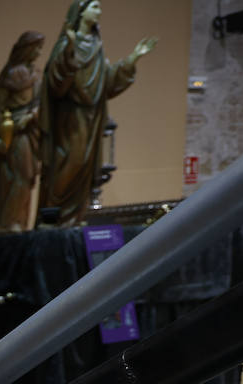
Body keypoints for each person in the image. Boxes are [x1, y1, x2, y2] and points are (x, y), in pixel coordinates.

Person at [38, 0, 156, 226]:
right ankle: (54, 216)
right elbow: (55, 83)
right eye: (94, 7)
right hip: (70, 117)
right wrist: (69, 53)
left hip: (92, 117)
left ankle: (74, 218)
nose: (100, 11)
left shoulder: (96, 45)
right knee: (70, 163)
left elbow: (107, 82)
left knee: (83, 168)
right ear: (81, 13)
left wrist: (133, 59)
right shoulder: (66, 42)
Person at [0, 31, 45, 231]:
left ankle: (21, 220)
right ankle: (10, 222)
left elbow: (41, 102)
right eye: (35, 47)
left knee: (28, 178)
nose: (38, 52)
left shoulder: (37, 74)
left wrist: (33, 115)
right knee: (17, 176)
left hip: (30, 132)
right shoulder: (11, 74)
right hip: (14, 134)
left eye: (40, 47)